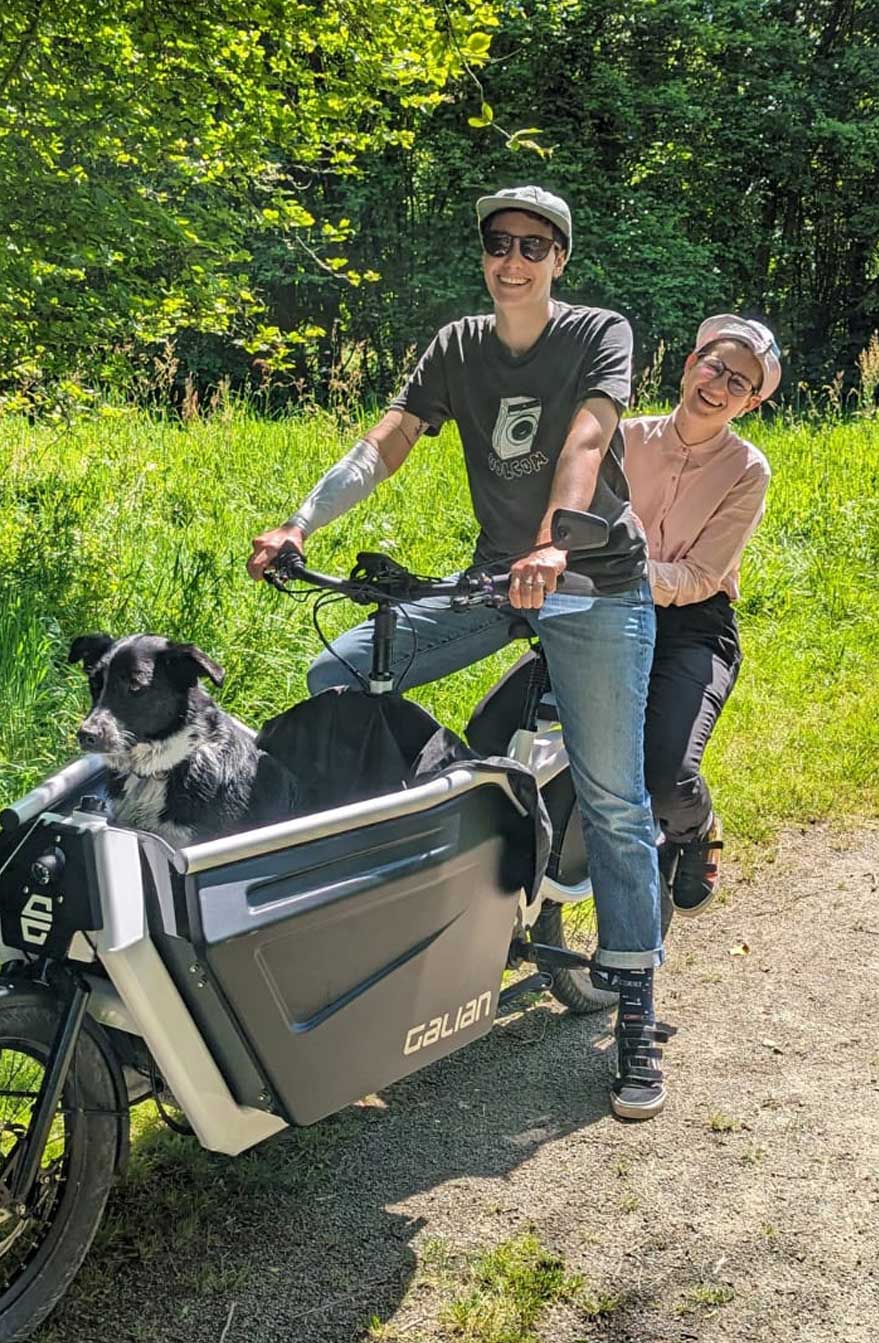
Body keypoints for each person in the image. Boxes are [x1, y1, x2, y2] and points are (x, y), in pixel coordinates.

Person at [248, 186, 673, 1121]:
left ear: (559, 258)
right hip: (494, 579)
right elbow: (391, 438)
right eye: (497, 244)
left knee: (613, 793)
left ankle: (637, 1005)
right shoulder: (457, 345)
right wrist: (301, 522)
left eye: (533, 246)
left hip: (592, 581)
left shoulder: (600, 330)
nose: (512, 260)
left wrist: (559, 537)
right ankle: (397, 890)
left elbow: (587, 436)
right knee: (342, 672)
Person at [623, 315, 780, 915]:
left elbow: (700, 577)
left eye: (740, 383)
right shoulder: (623, 436)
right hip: (600, 608)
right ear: (691, 365)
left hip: (692, 626)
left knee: (665, 770)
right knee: (500, 728)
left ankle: (695, 827)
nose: (721, 383)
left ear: (751, 403)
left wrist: (624, 570)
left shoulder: (746, 470)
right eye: (715, 365)